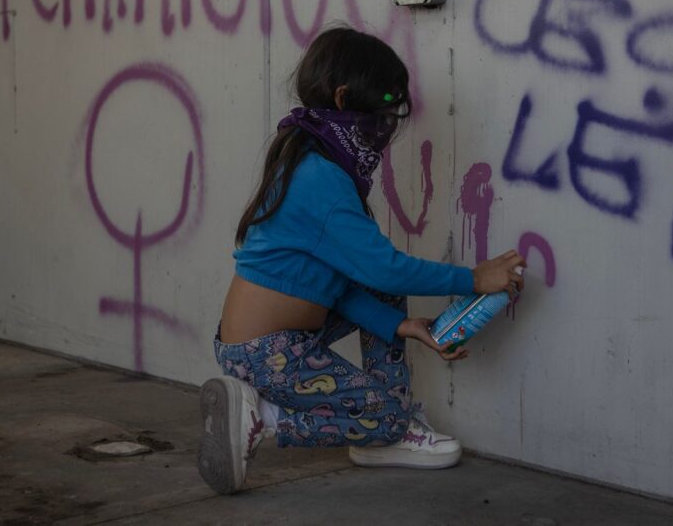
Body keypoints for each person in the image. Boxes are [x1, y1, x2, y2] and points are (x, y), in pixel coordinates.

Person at [198, 26, 526, 495]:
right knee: (386, 410)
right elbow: (385, 268)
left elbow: (349, 283)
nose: (386, 131)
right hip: (267, 353)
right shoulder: (322, 179)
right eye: (381, 116)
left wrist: (399, 326)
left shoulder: (309, 158)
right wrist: (473, 277)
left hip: (267, 341)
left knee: (379, 287)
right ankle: (264, 417)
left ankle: (384, 434)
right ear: (344, 98)